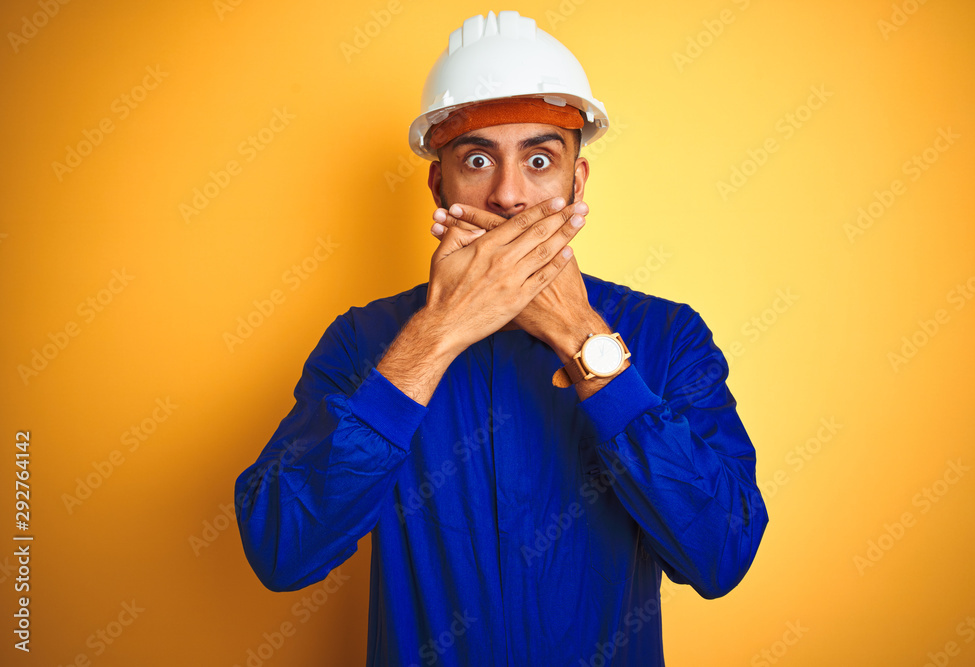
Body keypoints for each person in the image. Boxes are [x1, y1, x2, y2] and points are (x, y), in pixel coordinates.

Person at [235, 10, 767, 666]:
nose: (510, 194)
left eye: (540, 159)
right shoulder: (362, 341)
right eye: (478, 157)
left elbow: (720, 554)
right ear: (439, 184)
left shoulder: (668, 336)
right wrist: (438, 333)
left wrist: (583, 340)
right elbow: (284, 550)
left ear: (577, 180)